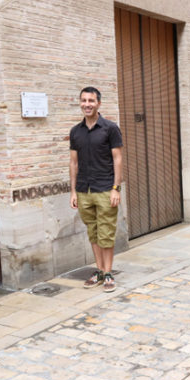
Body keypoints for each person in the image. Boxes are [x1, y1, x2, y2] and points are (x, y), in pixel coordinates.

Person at [69, 87, 123, 292]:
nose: (87, 104)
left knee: (106, 233)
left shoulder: (110, 128)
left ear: (98, 103)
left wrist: (116, 188)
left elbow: (118, 159)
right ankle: (99, 270)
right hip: (84, 190)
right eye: (83, 100)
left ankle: (108, 273)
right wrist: (73, 191)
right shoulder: (75, 131)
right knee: (93, 232)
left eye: (91, 100)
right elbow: (73, 163)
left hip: (105, 189)